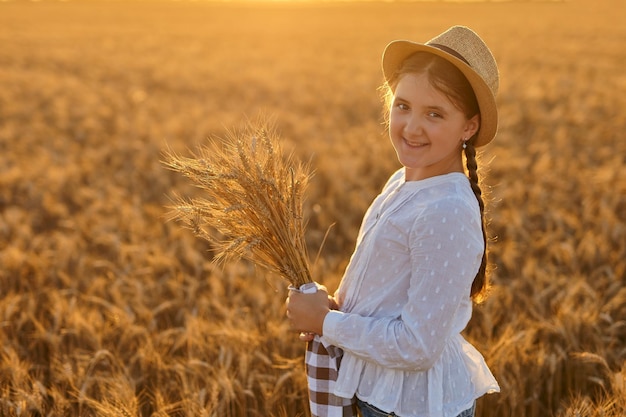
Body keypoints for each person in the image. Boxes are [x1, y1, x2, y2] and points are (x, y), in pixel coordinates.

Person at [286, 26, 500, 417]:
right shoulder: (403, 180)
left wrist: (326, 323)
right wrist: (336, 310)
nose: (411, 127)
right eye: (403, 106)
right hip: (380, 393)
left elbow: (417, 345)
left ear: (469, 126)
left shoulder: (447, 211)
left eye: (434, 113)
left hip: (412, 405)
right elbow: (388, 291)